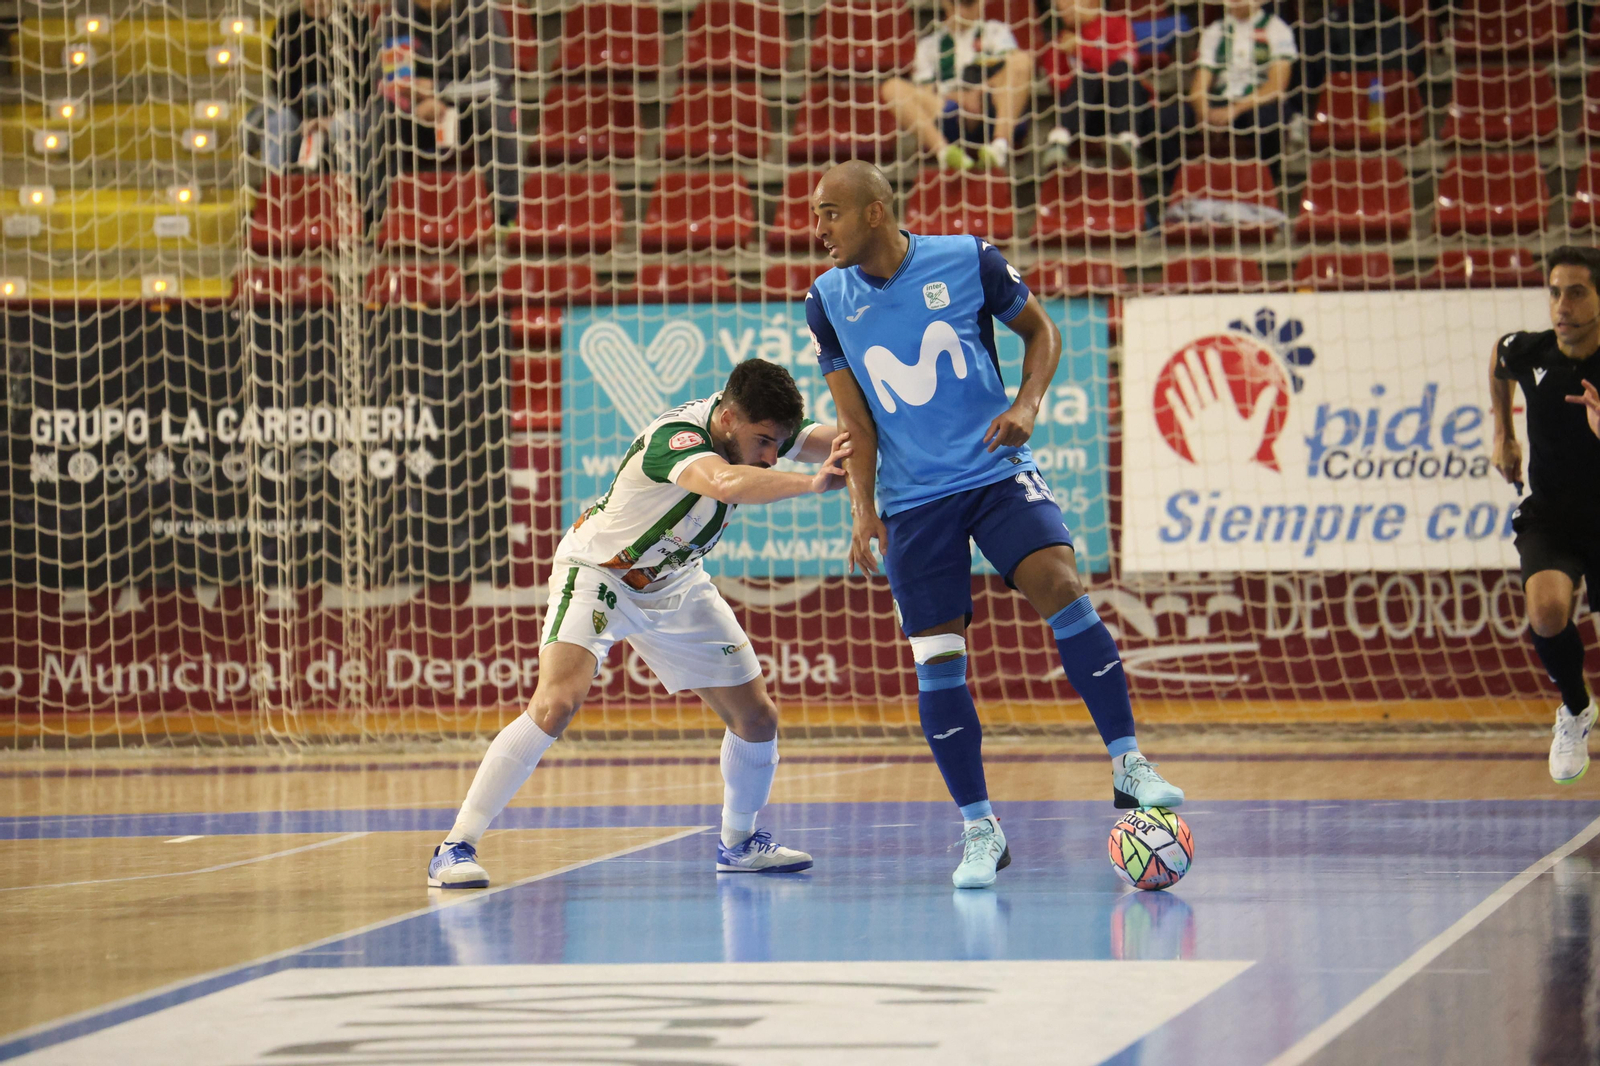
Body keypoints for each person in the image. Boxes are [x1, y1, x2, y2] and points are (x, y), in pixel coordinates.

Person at [806, 161, 1183, 890]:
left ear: (876, 212)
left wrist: (1027, 405)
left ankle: (1129, 764)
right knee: (937, 658)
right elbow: (854, 421)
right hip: (914, 501)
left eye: (830, 214)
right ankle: (980, 829)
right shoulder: (827, 301)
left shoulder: (966, 259)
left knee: (1063, 584)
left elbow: (1041, 333)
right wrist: (862, 509)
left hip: (993, 470)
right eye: (817, 215)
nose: (818, 230)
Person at [428, 360, 852, 888]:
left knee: (758, 719)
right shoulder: (677, 439)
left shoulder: (751, 425)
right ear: (728, 417)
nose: (770, 456)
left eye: (777, 444)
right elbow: (725, 483)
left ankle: (740, 844)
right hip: (602, 574)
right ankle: (455, 846)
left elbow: (833, 438)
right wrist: (813, 484)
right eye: (764, 442)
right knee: (556, 703)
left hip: (675, 583)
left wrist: (880, 438)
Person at [1491, 245, 1600, 784]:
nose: (1562, 305)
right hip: (1552, 517)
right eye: (1555, 292)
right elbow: (1499, 356)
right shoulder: (1531, 351)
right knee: (1547, 612)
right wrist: (1503, 435)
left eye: (1577, 292)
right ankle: (1576, 709)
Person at [370, 0, 521, 229]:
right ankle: (377, 215)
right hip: (419, 112)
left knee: (493, 110)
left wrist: (439, 91)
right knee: (381, 114)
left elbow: (494, 82)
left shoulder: (481, 11)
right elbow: (391, 82)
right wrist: (415, 105)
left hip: (467, 112)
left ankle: (505, 213)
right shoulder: (398, 13)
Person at [880, 0, 1033, 172]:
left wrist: (979, 91)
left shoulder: (996, 32)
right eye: (955, 3)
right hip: (949, 112)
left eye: (968, 3)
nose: (960, 9)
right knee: (891, 87)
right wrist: (959, 98)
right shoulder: (929, 44)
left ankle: (999, 146)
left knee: (1021, 61)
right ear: (946, 4)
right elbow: (925, 89)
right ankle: (945, 153)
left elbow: (1012, 70)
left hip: (991, 109)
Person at [1176, 0, 1298, 184]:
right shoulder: (1215, 30)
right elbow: (1199, 84)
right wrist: (1204, 112)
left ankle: (1268, 185)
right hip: (1220, 101)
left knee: (1270, 121)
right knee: (1164, 121)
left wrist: (1234, 110)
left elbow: (1277, 85)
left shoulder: (1276, 28)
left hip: (1255, 102)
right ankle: (1176, 186)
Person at [247, 0, 370, 171]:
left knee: (344, 126)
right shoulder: (287, 27)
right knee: (280, 123)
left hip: (346, 105)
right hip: (299, 105)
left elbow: (364, 82)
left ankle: (353, 190)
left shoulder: (356, 24)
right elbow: (283, 85)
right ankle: (274, 189)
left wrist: (331, 116)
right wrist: (309, 114)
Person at [1037, 0, 1150, 171]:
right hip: (1086, 117)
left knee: (1121, 70)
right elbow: (1058, 85)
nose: (1060, 10)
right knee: (1087, 75)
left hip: (1123, 107)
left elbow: (1127, 64)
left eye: (1066, 4)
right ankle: (1058, 142)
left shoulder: (1117, 25)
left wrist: (1081, 50)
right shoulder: (1058, 42)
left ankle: (1125, 140)